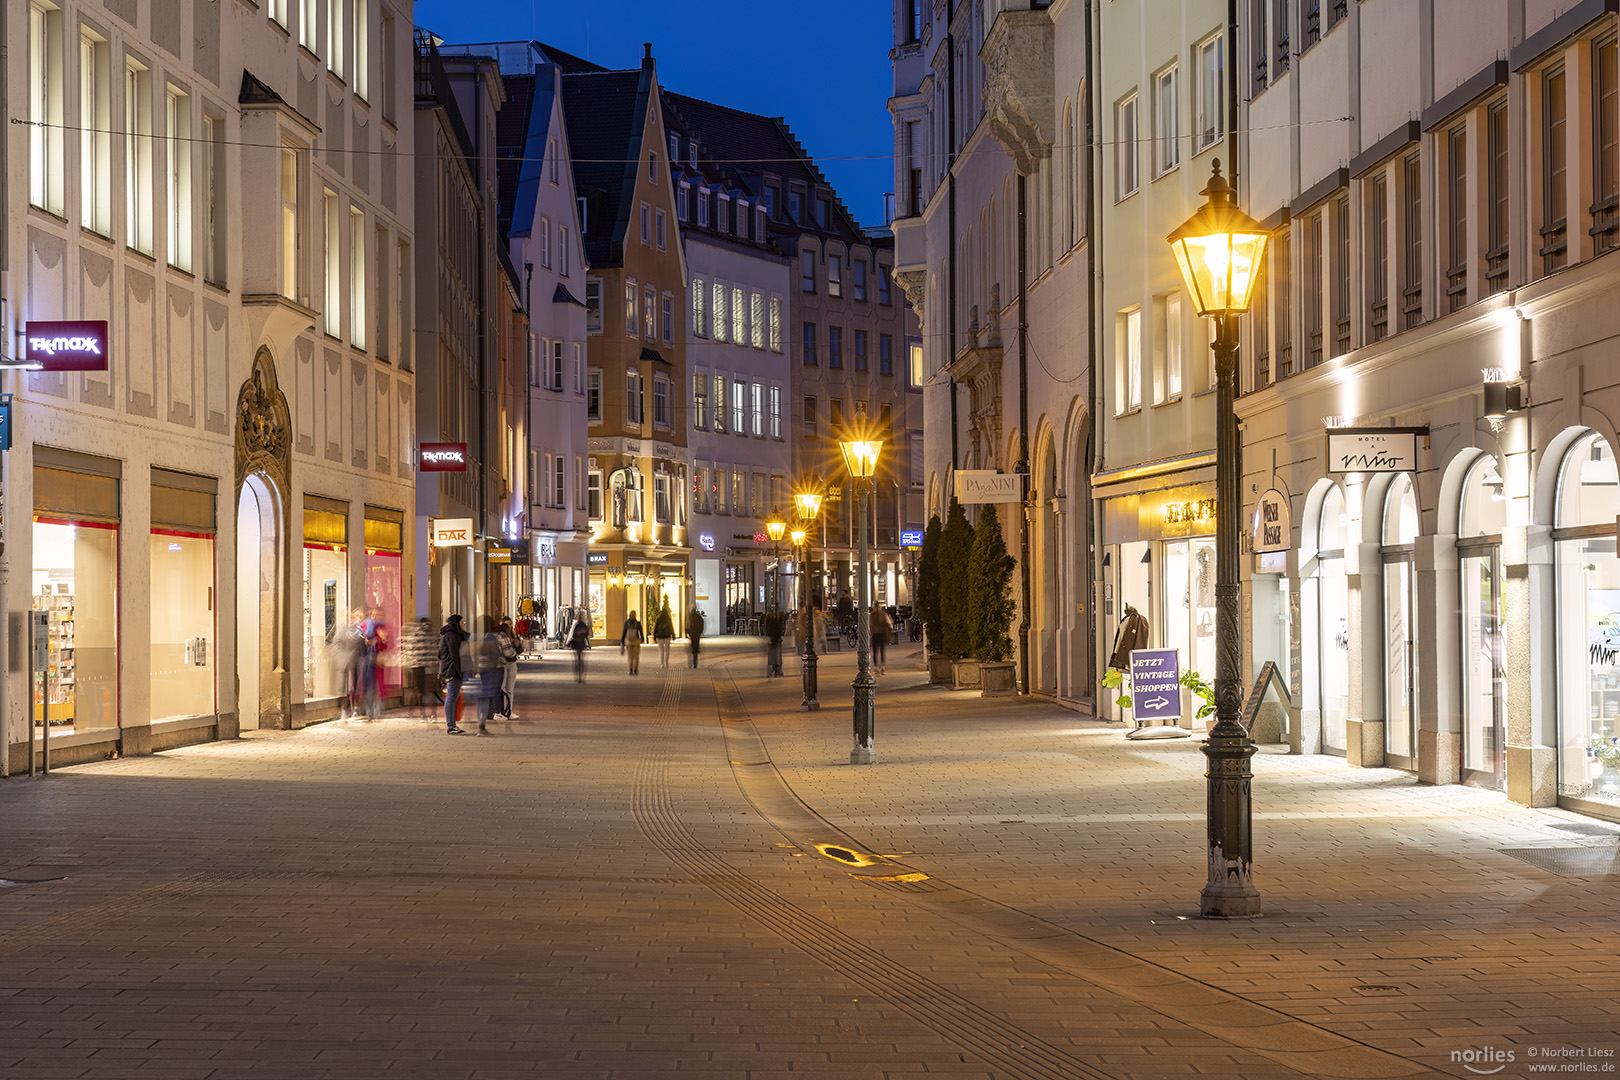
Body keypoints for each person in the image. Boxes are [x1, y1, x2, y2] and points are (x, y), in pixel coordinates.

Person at [470, 615, 501, 734]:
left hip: (475, 671)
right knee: (485, 699)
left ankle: (480, 721)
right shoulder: (490, 638)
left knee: (479, 699)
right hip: (488, 671)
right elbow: (495, 654)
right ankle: (481, 724)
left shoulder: (473, 637)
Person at [439, 614, 470, 734]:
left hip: (451, 669)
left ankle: (452, 725)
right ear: (457, 623)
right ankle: (450, 726)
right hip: (452, 670)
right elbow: (455, 656)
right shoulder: (452, 635)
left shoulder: (449, 634)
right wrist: (459, 671)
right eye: (462, 623)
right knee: (451, 698)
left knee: (453, 697)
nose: (463, 625)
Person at [496, 616, 521, 718]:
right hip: (502, 663)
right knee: (502, 687)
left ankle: (509, 710)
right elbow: (507, 652)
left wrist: (517, 645)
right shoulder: (500, 636)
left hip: (511, 663)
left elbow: (520, 650)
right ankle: (501, 711)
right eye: (507, 624)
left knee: (510, 688)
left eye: (510, 624)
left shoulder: (513, 635)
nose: (509, 626)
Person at [567, 611, 590, 682]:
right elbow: (586, 635)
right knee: (580, 660)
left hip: (577, 644)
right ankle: (580, 676)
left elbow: (574, 634)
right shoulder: (583, 625)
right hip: (581, 643)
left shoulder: (577, 625)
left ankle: (578, 676)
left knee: (578, 660)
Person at [620, 610, 645, 675]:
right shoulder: (638, 623)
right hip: (636, 641)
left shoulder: (626, 623)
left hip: (628, 641)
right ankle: (635, 668)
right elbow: (641, 632)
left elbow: (624, 632)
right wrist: (642, 639)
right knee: (636, 655)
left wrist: (622, 640)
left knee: (630, 655)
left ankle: (630, 668)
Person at [871, 606, 893, 676]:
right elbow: (889, 623)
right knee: (882, 651)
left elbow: (869, 626)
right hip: (882, 634)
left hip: (874, 635)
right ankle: (882, 667)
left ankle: (876, 667)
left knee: (875, 652)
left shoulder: (871, 615)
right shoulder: (884, 614)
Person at [653, 604, 675, 668]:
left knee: (661, 650)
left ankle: (662, 663)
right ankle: (666, 662)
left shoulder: (659, 619)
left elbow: (656, 628)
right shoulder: (668, 619)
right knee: (667, 650)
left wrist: (654, 636)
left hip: (659, 637)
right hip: (667, 636)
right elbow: (671, 627)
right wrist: (673, 635)